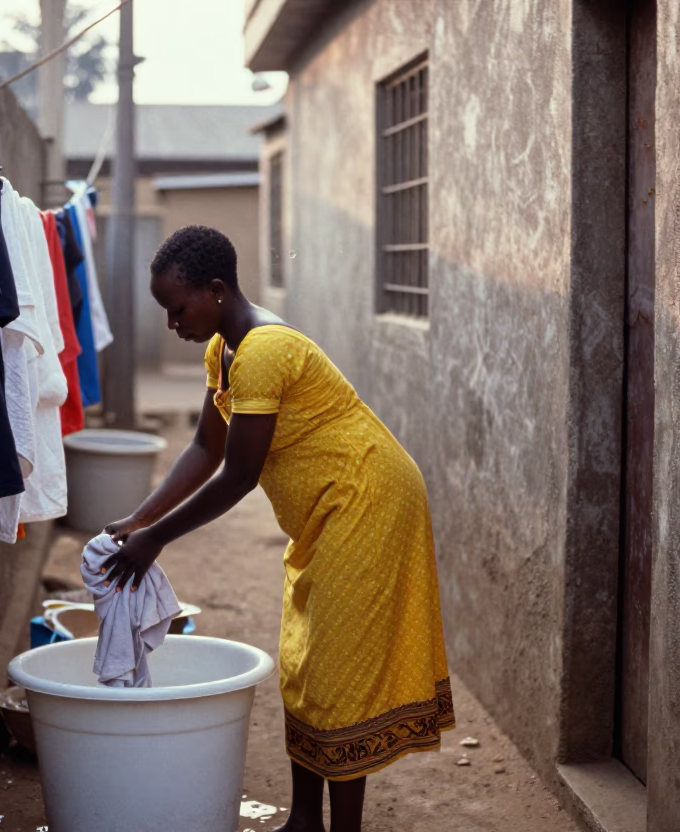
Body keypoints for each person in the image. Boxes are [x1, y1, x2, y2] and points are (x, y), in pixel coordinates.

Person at [103, 226, 454, 832]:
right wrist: (141, 518)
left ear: (215, 290)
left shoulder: (264, 350)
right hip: (324, 512)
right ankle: (303, 822)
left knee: (336, 669)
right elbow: (204, 449)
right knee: (303, 659)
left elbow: (237, 476)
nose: (172, 324)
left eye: (177, 308)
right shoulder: (225, 350)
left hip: (366, 501)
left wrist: (156, 539)